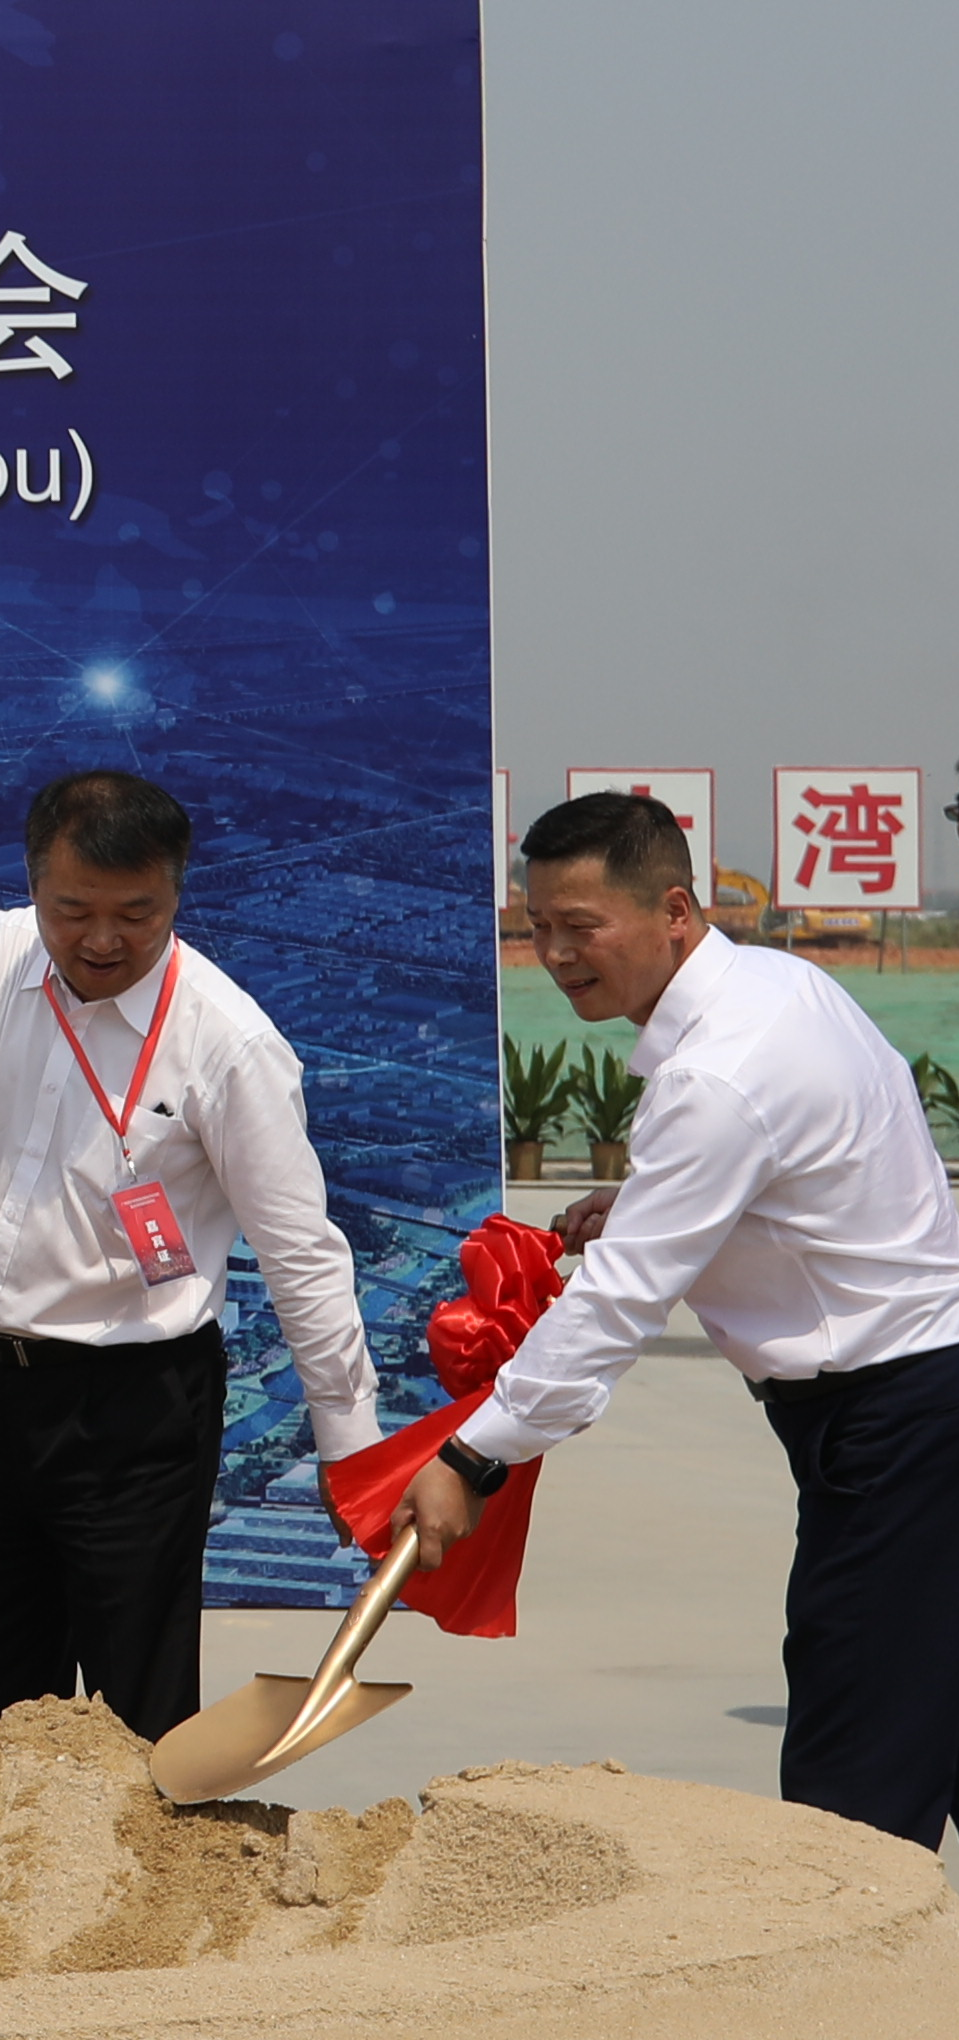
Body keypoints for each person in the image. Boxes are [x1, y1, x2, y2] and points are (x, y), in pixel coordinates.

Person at [408, 791, 959, 1847]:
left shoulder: (716, 1071)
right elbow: (832, 1173)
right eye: (535, 927)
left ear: (669, 909)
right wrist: (656, 1203)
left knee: (853, 1774)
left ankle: (834, 2000)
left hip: (898, 1428)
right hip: (921, 1388)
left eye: (581, 927)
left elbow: (617, 1302)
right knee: (924, 1704)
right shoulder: (779, 986)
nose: (556, 953)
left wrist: (472, 1454)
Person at [0, 768, 378, 1738]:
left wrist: (348, 1446)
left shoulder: (226, 1039)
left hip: (137, 1409)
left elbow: (300, 1251)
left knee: (136, 1701)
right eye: (72, 910)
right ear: (34, 884)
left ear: (175, 896)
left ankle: (143, 1880)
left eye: (136, 913)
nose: (102, 939)